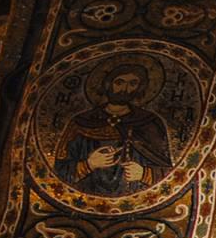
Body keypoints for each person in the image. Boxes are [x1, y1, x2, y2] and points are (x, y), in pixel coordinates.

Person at [53, 61, 174, 196]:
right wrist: (89, 164)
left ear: (140, 88)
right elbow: (59, 171)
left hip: (136, 198)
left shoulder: (149, 122)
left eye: (133, 84)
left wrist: (144, 174)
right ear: (108, 84)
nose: (125, 89)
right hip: (82, 197)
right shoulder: (82, 121)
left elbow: (169, 172)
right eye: (119, 82)